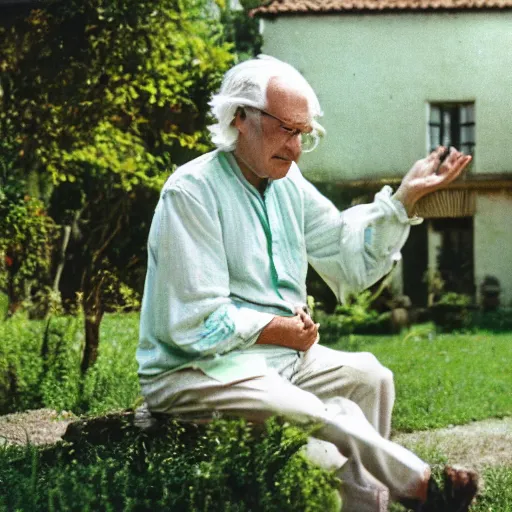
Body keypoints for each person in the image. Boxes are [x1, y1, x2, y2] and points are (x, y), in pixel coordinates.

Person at [136, 55, 477, 511]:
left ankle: (364, 507)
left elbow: (344, 251)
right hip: (194, 370)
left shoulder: (286, 181)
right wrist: (275, 328)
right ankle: (423, 488)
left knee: (371, 377)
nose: (295, 147)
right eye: (285, 129)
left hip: (281, 358)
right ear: (240, 118)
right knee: (316, 410)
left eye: (302, 134)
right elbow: (193, 321)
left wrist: (403, 199)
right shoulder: (191, 192)